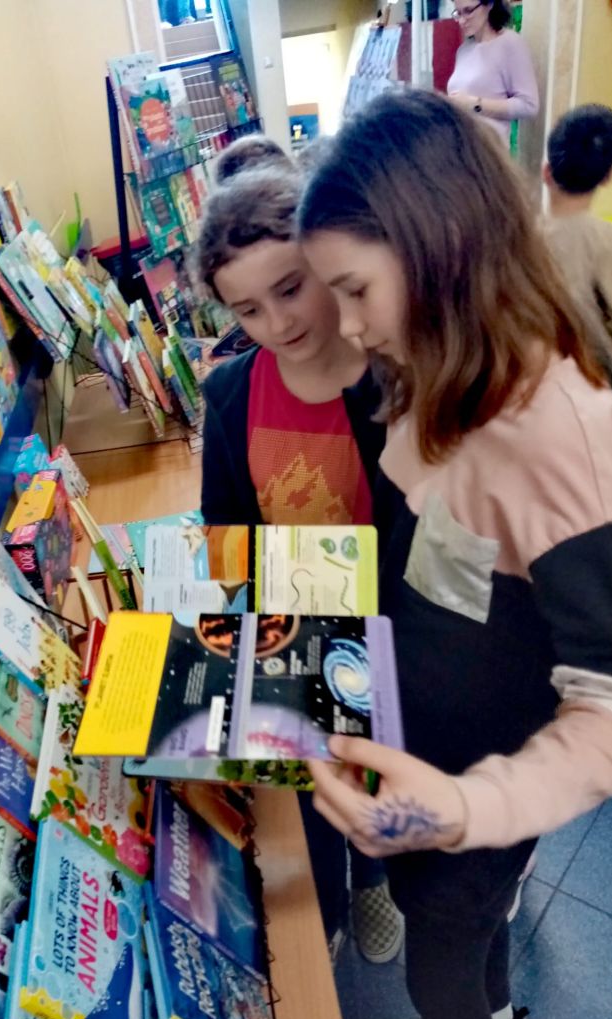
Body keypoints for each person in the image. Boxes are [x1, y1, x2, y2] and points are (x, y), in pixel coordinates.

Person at [298, 90, 612, 1019]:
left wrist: (462, 808)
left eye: (355, 290)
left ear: (437, 245)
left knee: (436, 959)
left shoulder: (559, 432)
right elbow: (431, 555)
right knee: (464, 933)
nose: (348, 326)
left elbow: (609, 708)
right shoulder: (436, 367)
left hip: (476, 780)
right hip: (427, 736)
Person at [195, 137, 404, 967]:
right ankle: (332, 892)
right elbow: (226, 530)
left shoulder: (392, 374)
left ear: (324, 260)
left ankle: (374, 877)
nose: (278, 324)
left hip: (388, 628)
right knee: (313, 785)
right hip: (294, 627)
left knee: (375, 772)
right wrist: (226, 632)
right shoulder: (230, 393)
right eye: (248, 311)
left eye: (290, 289)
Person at [542, 103, 612, 384]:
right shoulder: (610, 241)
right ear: (608, 177)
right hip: (595, 381)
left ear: (546, 172)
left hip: (530, 380)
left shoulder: (517, 239)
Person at [447, 0, 538, 147]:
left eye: (468, 11)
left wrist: (475, 104)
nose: (462, 20)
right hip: (460, 149)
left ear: (489, 4)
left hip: (489, 151)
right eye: (458, 13)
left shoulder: (510, 44)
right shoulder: (463, 50)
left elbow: (529, 105)